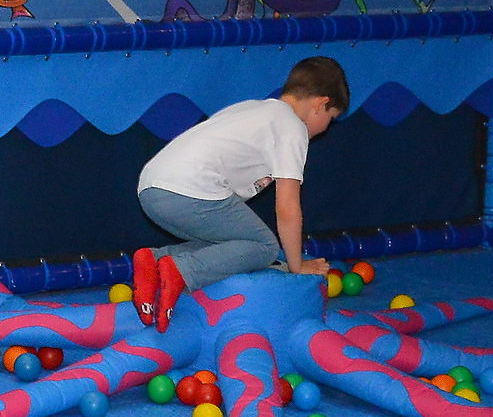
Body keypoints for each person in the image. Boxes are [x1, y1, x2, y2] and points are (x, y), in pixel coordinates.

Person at [129, 57, 347, 327]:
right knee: (264, 246)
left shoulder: (252, 109)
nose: (327, 128)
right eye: (331, 118)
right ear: (320, 104)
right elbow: (287, 208)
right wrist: (297, 266)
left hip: (152, 188)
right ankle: (181, 270)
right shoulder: (292, 127)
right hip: (191, 187)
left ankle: (155, 260)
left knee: (233, 245)